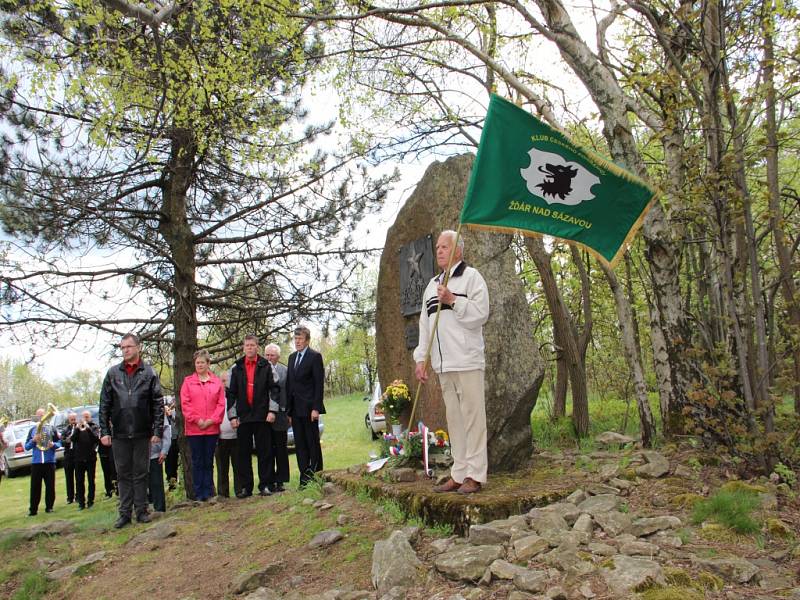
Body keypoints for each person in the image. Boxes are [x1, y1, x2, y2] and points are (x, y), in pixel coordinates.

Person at [414, 230, 490, 495]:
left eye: (445, 246)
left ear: (458, 250)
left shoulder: (472, 277)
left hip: (467, 360)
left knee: (473, 419)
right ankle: (459, 473)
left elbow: (481, 315)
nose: (439, 251)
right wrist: (421, 359)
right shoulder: (430, 286)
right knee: (455, 420)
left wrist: (454, 301)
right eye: (437, 247)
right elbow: (425, 327)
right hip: (443, 366)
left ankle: (476, 474)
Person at [99, 333, 165, 528]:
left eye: (128, 346)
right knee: (123, 474)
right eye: (122, 348)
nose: (125, 350)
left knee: (141, 473)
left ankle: (142, 510)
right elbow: (104, 404)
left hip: (141, 431)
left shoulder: (149, 373)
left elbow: (158, 404)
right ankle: (124, 513)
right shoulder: (112, 374)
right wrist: (104, 431)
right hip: (119, 433)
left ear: (138, 347)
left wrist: (157, 430)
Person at [227, 335, 280, 498]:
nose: (249, 348)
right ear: (243, 348)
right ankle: (246, 487)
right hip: (243, 417)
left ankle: (265, 485)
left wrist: (272, 411)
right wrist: (233, 416)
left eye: (252, 345)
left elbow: (275, 389)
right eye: (247, 345)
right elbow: (231, 394)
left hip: (263, 415)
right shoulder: (236, 368)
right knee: (243, 453)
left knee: (265, 451)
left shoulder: (266, 366)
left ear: (257, 347)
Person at [180, 349, 225, 501]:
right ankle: (199, 494)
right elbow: (185, 405)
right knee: (197, 461)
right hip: (194, 429)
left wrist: (211, 420)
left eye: (202, 362)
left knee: (208, 460)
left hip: (211, 428)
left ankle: (209, 491)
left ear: (208, 363)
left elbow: (221, 404)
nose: (199, 365)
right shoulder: (188, 382)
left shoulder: (217, 382)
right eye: (197, 362)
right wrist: (198, 420)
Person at [286, 326, 325, 488]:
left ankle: (317, 474)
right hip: (295, 410)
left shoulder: (315, 357)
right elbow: (289, 385)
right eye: (295, 339)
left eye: (300, 339)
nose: (297, 342)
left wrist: (316, 408)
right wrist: (288, 411)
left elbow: (318, 384)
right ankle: (304, 477)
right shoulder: (291, 357)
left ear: (307, 340)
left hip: (310, 410)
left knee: (312, 443)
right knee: (300, 444)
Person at [25, 407, 62, 515]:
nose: (41, 417)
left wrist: (53, 445)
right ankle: (33, 510)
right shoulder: (32, 430)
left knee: (50, 486)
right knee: (35, 487)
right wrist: (33, 440)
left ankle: (49, 507)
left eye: (42, 415)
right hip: (36, 463)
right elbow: (26, 447)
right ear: (36, 417)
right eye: (39, 415)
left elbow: (60, 442)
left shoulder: (51, 428)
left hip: (49, 462)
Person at [264, 343, 290, 493]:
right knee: (267, 449)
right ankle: (269, 481)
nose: (269, 358)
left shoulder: (285, 371)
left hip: (281, 415)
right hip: (265, 415)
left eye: (272, 355)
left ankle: (280, 481)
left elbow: (288, 393)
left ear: (278, 357)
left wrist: (288, 412)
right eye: (267, 355)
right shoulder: (261, 370)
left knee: (281, 449)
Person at [215, 370, 239, 498]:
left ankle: (239, 490)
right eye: (222, 381)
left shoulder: (237, 396)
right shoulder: (216, 397)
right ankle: (223, 494)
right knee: (222, 468)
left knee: (238, 466)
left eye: (227, 380)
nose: (225, 384)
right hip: (221, 437)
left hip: (236, 436)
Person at [72, 410, 100, 509]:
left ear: (90, 418)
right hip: (78, 458)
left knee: (91, 480)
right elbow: (73, 439)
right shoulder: (77, 428)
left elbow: (96, 439)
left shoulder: (94, 427)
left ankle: (90, 501)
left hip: (90, 457)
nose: (85, 419)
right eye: (84, 417)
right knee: (79, 481)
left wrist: (88, 429)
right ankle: (81, 503)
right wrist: (77, 429)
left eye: (87, 417)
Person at [148, 414, 171, 512]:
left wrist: (164, 450)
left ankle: (159, 510)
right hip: (138, 454)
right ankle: (143, 509)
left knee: (157, 483)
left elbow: (166, 430)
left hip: (155, 453)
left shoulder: (158, 410)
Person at [163, 397, 179, 491]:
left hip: (177, 438)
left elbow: (177, 421)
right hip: (169, 439)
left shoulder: (176, 410)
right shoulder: (167, 408)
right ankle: (172, 484)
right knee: (170, 464)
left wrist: (170, 416)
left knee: (176, 463)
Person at [61, 412, 78, 505]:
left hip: (77, 453)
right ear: (69, 420)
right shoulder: (65, 430)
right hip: (68, 454)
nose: (73, 421)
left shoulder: (79, 428)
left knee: (78, 476)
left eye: (74, 419)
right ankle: (70, 497)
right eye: (71, 420)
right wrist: (67, 440)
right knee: (69, 477)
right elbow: (62, 442)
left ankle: (78, 496)